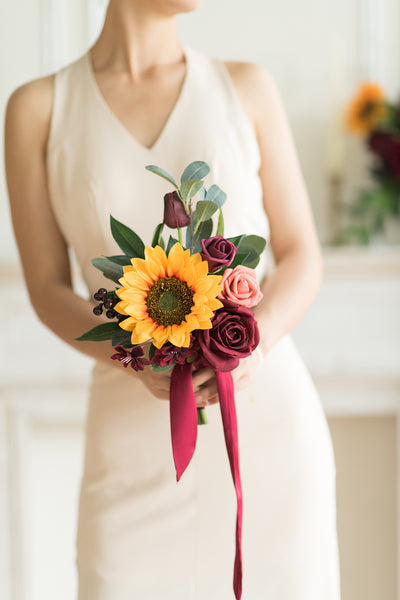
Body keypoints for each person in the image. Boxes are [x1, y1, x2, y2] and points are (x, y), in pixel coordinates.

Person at [4, 0, 341, 598]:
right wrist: (133, 354)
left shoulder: (246, 86)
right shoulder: (37, 108)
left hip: (266, 435)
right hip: (129, 448)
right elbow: (47, 288)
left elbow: (301, 255)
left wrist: (252, 349)